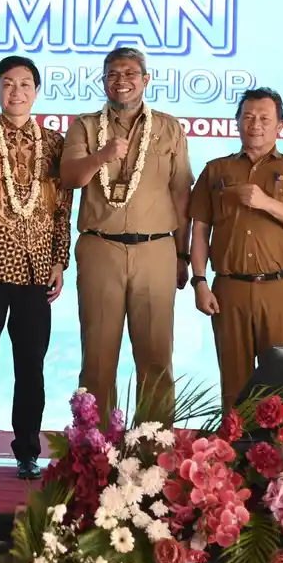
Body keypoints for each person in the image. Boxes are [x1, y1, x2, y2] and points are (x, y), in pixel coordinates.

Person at [0, 56, 71, 480]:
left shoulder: (55, 143)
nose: (16, 91)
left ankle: (27, 451)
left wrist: (60, 259)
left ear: (36, 91)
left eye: (24, 84)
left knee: (31, 366)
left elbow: (63, 209)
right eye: (7, 83)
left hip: (36, 269)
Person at [59, 46, 192, 417]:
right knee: (97, 357)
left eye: (130, 73)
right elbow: (69, 178)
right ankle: (94, 444)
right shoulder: (85, 126)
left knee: (156, 355)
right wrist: (102, 155)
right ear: (103, 81)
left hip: (157, 250)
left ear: (145, 80)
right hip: (101, 248)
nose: (122, 81)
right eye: (113, 74)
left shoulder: (169, 127)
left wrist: (182, 254)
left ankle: (154, 444)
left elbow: (181, 193)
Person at [189, 87, 283, 411]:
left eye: (265, 118)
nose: (255, 125)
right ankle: (235, 444)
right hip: (229, 289)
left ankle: (279, 446)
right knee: (234, 385)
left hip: (281, 288)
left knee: (282, 384)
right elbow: (200, 229)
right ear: (237, 122)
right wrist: (199, 282)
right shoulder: (216, 170)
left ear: (280, 125)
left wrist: (267, 203)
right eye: (248, 117)